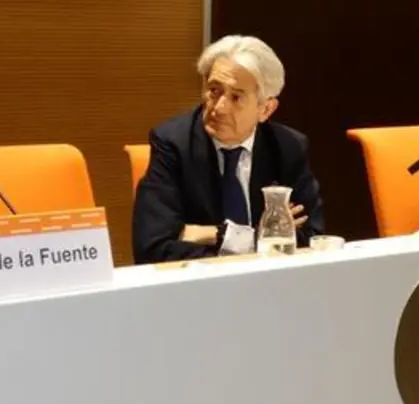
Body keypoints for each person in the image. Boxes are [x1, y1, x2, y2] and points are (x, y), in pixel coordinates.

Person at [133, 35, 324, 264]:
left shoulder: (288, 147)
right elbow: (153, 248)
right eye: (214, 90)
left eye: (236, 97)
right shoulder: (173, 144)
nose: (219, 108)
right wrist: (257, 239)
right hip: (200, 283)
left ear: (265, 109)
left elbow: (311, 238)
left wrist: (212, 234)